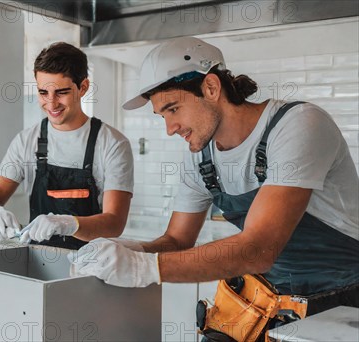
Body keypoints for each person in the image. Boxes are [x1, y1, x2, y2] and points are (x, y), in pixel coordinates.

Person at [69, 37, 359, 339]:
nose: (170, 128)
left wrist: (144, 268)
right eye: (163, 116)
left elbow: (258, 248)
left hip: (341, 303)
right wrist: (132, 249)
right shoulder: (201, 158)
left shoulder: (297, 125)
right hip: (269, 302)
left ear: (210, 88)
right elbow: (177, 239)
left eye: (173, 109)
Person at [0, 42, 134, 250]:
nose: (51, 104)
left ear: (83, 87)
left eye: (61, 92)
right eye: (43, 92)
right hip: (39, 262)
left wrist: (68, 224)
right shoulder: (27, 141)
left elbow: (114, 223)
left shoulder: (112, 144)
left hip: (92, 265)